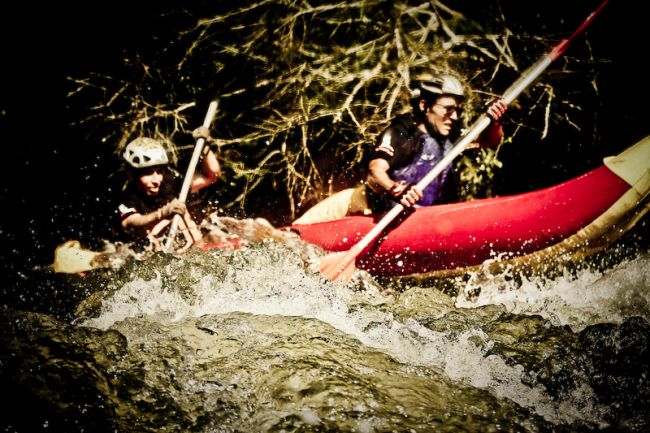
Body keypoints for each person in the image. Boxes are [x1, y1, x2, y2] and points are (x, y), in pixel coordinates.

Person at [292, 73, 507, 224]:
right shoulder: (401, 133)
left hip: (427, 217)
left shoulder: (450, 132)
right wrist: (397, 189)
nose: (455, 116)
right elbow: (375, 173)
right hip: (362, 205)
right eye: (448, 109)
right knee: (295, 233)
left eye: (457, 110)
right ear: (424, 106)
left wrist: (494, 121)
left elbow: (490, 141)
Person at [117, 127, 221, 252]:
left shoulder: (170, 184)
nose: (156, 180)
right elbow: (131, 222)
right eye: (148, 173)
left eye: (159, 171)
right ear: (131, 174)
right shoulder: (128, 199)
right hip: (159, 262)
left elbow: (211, 176)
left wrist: (206, 148)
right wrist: (162, 213)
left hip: (197, 252)